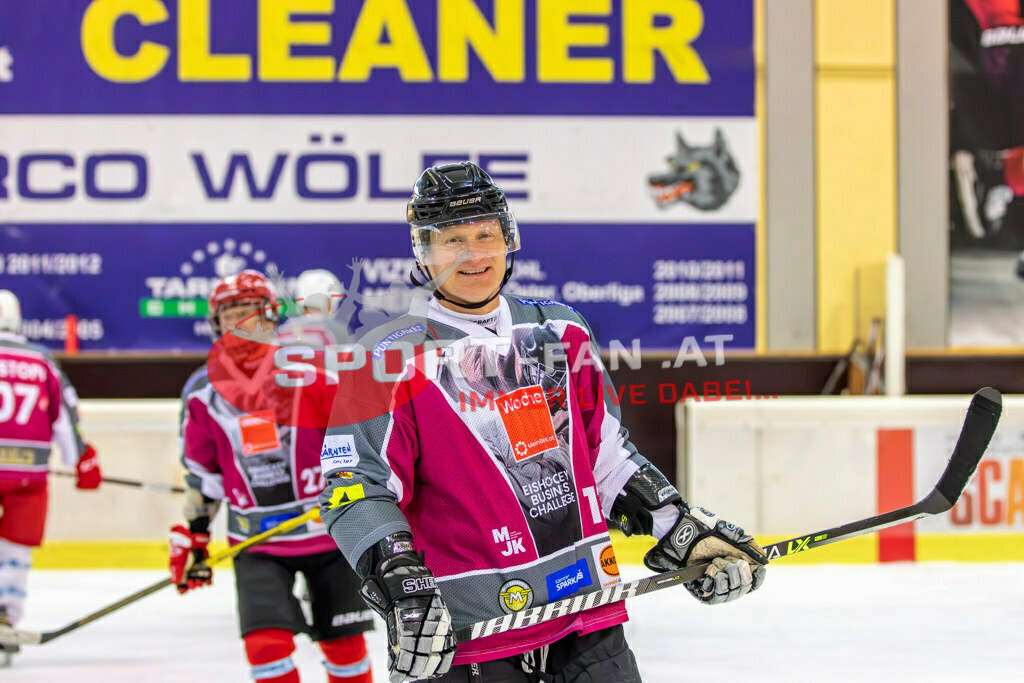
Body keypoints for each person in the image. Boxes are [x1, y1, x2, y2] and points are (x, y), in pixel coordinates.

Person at [318, 162, 768, 683]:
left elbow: (606, 460)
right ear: (423, 254)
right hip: (469, 639)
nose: (472, 254)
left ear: (508, 240)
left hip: (587, 622)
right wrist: (401, 584)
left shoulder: (560, 330)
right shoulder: (387, 358)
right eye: (451, 240)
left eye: (486, 234)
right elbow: (353, 486)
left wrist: (683, 530)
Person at [172, 271, 373, 683]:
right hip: (257, 543)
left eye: (251, 314)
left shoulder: (313, 371)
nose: (241, 324)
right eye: (231, 316)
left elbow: (360, 441)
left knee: (345, 648)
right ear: (216, 324)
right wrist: (193, 535)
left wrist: (364, 494)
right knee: (265, 648)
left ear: (270, 318)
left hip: (329, 531)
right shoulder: (201, 393)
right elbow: (203, 477)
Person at [0, 290, 101, 664]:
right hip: (28, 474)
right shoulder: (41, 361)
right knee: (15, 547)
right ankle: (6, 619)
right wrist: (81, 461)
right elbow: (65, 416)